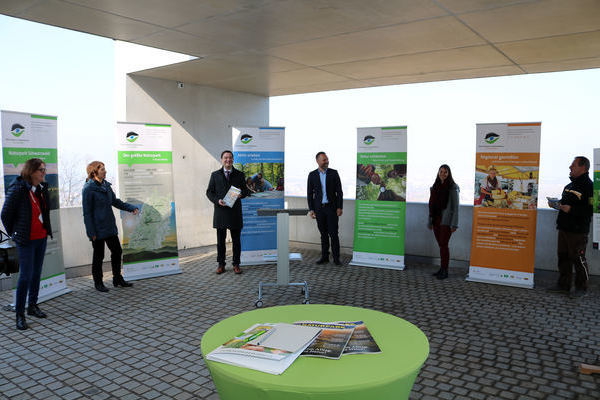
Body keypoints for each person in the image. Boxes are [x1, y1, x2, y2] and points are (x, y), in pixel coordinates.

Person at [1, 158, 52, 330]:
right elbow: (5, 215)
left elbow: (44, 211)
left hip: (41, 237)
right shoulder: (17, 189)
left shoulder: (41, 188)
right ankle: (20, 314)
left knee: (36, 273)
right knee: (25, 276)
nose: (44, 173)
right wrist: (15, 233)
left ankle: (32, 306)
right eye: (41, 170)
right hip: (26, 240)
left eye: (45, 170)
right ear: (31, 172)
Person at [82, 161, 139, 292]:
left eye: (104, 168)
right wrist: (91, 232)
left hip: (109, 227)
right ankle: (98, 282)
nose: (105, 171)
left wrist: (131, 208)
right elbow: (87, 213)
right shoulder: (88, 189)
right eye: (102, 169)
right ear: (94, 172)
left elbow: (115, 201)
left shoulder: (106, 186)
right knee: (98, 256)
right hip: (97, 229)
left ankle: (117, 278)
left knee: (117, 251)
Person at [547, 156, 593, 298]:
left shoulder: (589, 186)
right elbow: (564, 203)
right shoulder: (569, 186)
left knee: (578, 259)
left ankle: (581, 288)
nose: (570, 167)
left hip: (578, 231)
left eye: (573, 165)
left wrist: (571, 209)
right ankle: (563, 285)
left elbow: (591, 210)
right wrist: (556, 204)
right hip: (564, 228)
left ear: (583, 168)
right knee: (563, 257)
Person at [206, 150, 249, 274]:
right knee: (220, 242)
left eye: (230, 158)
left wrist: (242, 194)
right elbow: (209, 192)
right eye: (225, 158)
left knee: (236, 241)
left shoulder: (240, 175)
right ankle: (221, 264)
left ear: (233, 160)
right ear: (221, 159)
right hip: (220, 212)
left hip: (235, 213)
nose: (228, 160)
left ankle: (236, 264)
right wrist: (217, 200)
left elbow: (246, 191)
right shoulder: (215, 175)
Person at [307, 152, 343, 265]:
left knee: (333, 234)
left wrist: (339, 207)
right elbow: (309, 194)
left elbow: (339, 192)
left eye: (327, 159)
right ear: (318, 161)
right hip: (319, 209)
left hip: (331, 209)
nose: (327, 161)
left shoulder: (334, 173)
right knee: (323, 234)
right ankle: (325, 257)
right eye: (324, 160)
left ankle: (336, 258)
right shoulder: (312, 175)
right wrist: (311, 209)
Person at [428, 165, 459, 280]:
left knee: (444, 245)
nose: (443, 174)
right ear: (438, 173)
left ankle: (445, 270)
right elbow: (430, 205)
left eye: (445, 172)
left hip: (446, 221)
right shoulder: (434, 187)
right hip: (435, 219)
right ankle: (441, 268)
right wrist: (429, 221)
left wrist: (454, 224)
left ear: (449, 173)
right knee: (441, 245)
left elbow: (456, 207)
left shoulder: (453, 187)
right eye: (441, 171)